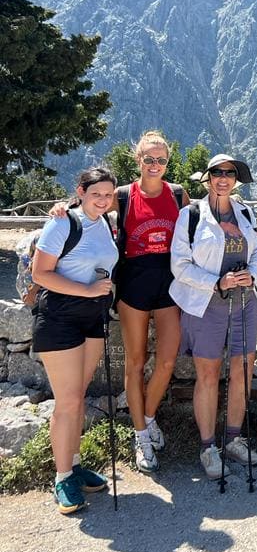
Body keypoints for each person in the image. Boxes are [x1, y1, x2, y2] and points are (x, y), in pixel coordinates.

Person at [51, 131, 190, 473]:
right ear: (138, 160)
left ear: (167, 163)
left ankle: (149, 416)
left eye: (161, 160)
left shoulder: (177, 194)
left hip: (169, 282)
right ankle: (141, 434)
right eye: (149, 159)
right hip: (133, 283)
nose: (155, 165)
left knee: (168, 360)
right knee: (135, 361)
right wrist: (63, 209)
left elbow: (197, 227)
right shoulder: (124, 196)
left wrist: (244, 233)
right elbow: (89, 207)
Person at [170, 154, 257, 480]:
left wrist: (251, 275)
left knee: (242, 371)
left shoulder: (245, 212)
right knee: (208, 375)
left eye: (230, 173)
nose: (223, 178)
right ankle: (209, 447)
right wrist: (217, 282)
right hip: (206, 304)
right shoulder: (191, 215)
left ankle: (234, 439)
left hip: (244, 302)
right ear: (208, 178)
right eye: (217, 173)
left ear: (236, 179)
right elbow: (179, 265)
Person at [31, 167, 119, 514]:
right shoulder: (62, 222)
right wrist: (86, 290)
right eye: (96, 193)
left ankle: (75, 464)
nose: (103, 199)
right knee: (67, 401)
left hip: (92, 318)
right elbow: (41, 273)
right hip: (60, 318)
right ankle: (62, 476)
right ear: (81, 191)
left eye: (108, 194)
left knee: (78, 397)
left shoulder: (107, 224)